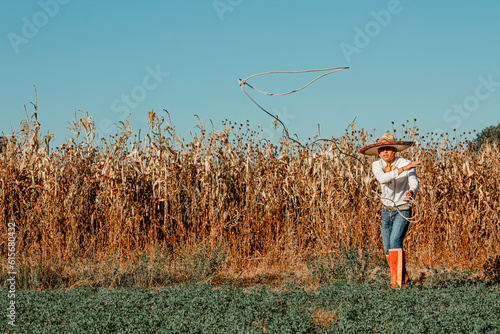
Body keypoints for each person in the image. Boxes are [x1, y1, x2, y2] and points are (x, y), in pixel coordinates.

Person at [359, 132, 422, 288]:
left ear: (394, 150)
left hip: (403, 208)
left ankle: (397, 285)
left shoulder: (406, 163)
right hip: (386, 210)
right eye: (381, 150)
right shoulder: (377, 165)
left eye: (388, 149)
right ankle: (403, 280)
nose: (384, 152)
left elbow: (414, 181)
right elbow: (382, 179)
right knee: (387, 248)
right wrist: (402, 170)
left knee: (395, 241)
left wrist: (411, 191)